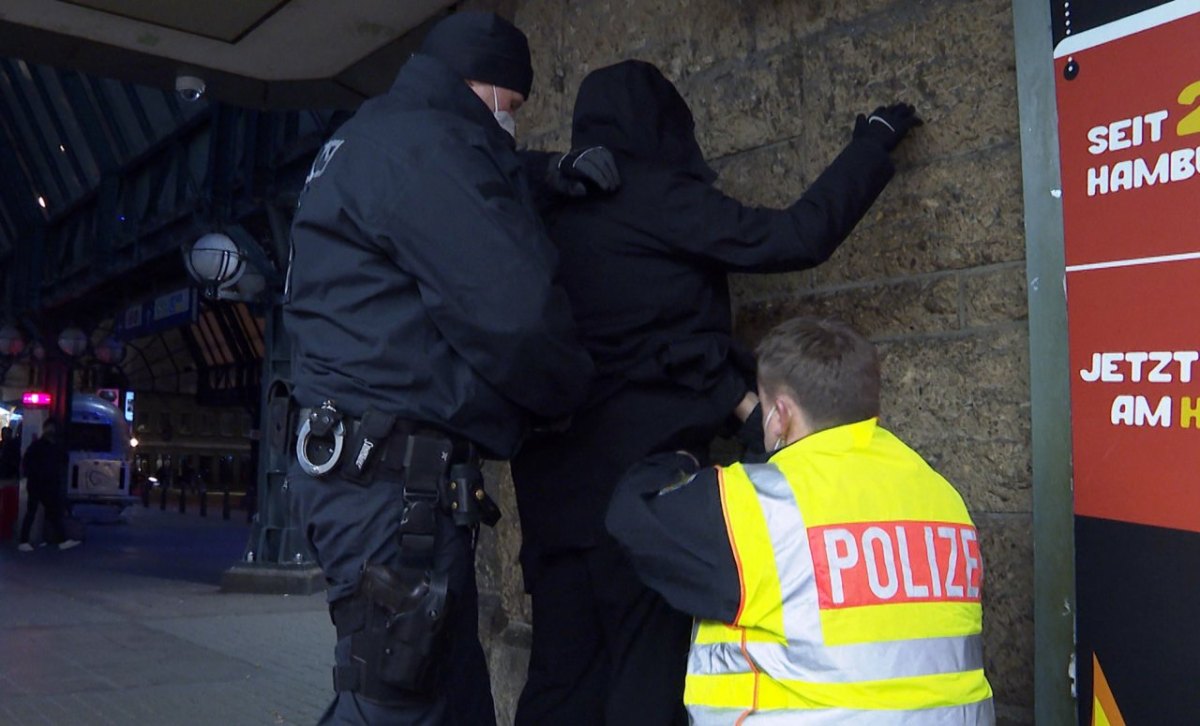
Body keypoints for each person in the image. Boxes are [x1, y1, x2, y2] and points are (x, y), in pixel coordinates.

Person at [510, 59, 920, 725]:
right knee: (646, 673)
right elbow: (797, 235)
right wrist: (869, 146)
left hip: (550, 482)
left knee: (560, 677)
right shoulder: (654, 194)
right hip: (642, 484)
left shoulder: (545, 207)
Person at [283, 11, 604, 725]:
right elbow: (516, 317)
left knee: (448, 702)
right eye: (514, 107)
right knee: (392, 700)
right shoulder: (427, 147)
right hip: (392, 488)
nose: (512, 123)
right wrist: (572, 393)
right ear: (484, 86)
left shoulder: (382, 133)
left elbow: (472, 178)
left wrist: (550, 173)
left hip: (374, 474)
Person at [606, 317, 995, 723]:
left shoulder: (758, 504)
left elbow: (633, 513)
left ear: (780, 415)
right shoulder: (941, 496)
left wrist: (679, 459)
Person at [18, 419, 81, 552]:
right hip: (45, 483)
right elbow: (62, 460)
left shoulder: (37, 446)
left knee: (34, 511)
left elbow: (27, 462)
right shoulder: (52, 447)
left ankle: (25, 540)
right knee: (50, 512)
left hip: (37, 483)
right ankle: (59, 539)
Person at [0, 425, 20, 541]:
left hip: (6, 478)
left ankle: (5, 531)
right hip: (10, 478)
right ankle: (7, 531)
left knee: (5, 507)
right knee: (8, 507)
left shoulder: (6, 446)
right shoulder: (14, 446)